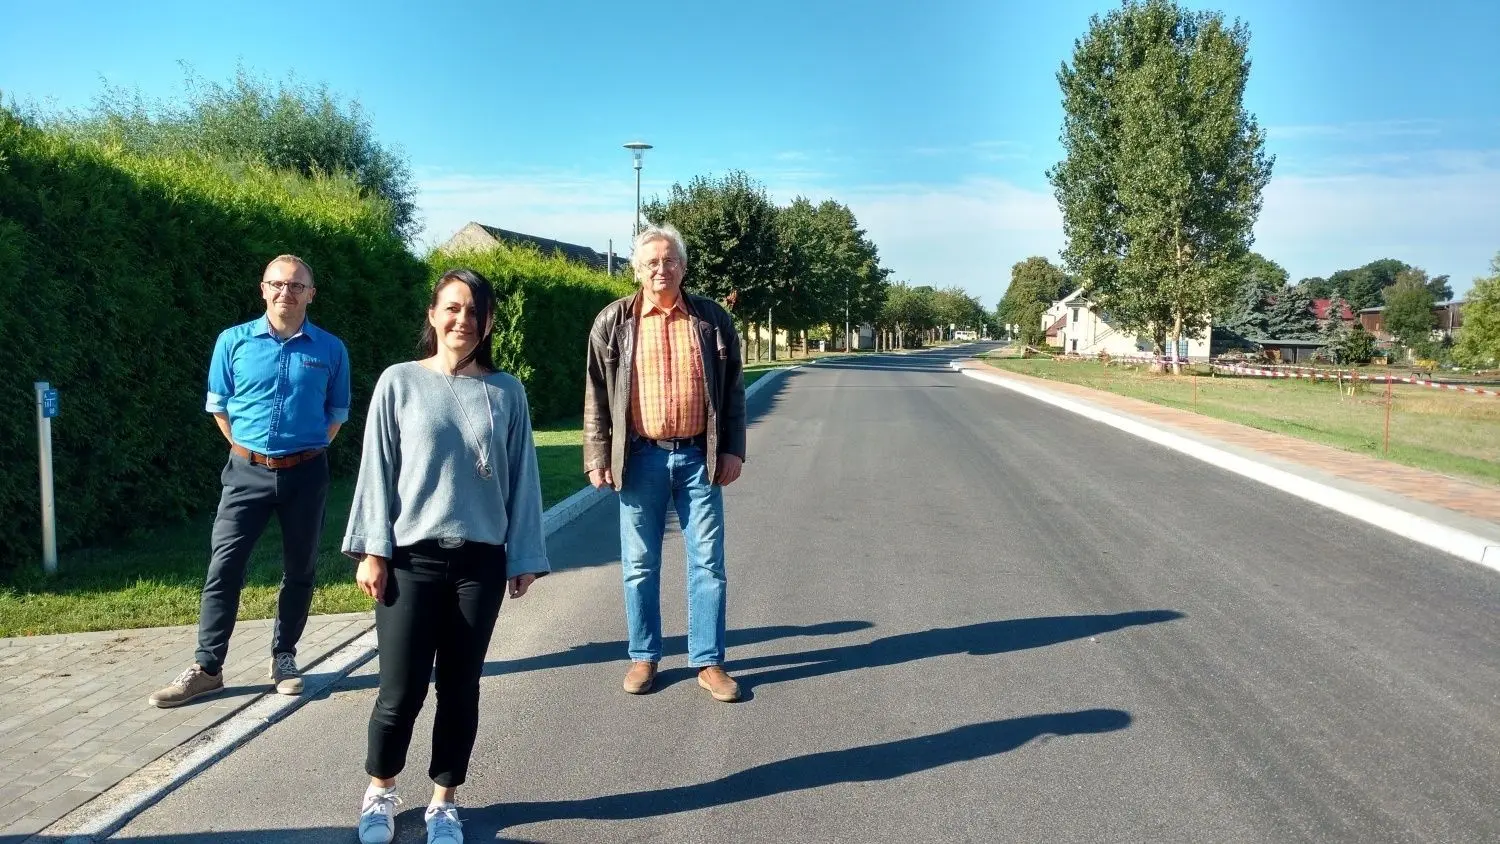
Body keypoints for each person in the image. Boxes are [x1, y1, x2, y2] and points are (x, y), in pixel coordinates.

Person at [343, 269, 550, 844]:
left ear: (487, 325)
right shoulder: (399, 382)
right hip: (412, 560)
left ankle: (443, 802)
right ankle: (380, 793)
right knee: (400, 690)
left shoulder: (507, 392)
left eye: (475, 313)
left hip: (479, 563)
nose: (463, 321)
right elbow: (376, 472)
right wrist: (372, 550)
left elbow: (523, 478)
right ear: (433, 315)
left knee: (461, 688)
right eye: (453, 309)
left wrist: (524, 553)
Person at [150, 255, 351, 708]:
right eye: (277, 284)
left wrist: (304, 450)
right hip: (245, 472)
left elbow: (335, 415)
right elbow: (219, 406)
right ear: (263, 289)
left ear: (311, 294)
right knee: (225, 568)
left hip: (306, 473)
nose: (286, 292)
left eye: (297, 286)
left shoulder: (330, 349)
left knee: (300, 569)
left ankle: (284, 657)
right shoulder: (233, 342)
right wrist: (250, 451)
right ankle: (207, 668)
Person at [583, 223, 747, 703]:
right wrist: (598, 454)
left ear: (683, 265)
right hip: (640, 458)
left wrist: (733, 448)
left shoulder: (712, 319)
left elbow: (733, 391)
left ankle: (709, 661)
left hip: (700, 456)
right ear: (638, 269)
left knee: (708, 564)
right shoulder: (613, 322)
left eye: (669, 260)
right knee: (638, 564)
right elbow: (595, 393)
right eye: (651, 261)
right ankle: (644, 656)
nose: (661, 268)